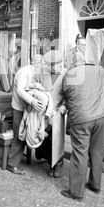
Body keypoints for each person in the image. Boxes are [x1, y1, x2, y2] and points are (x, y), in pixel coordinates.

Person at [59, 51, 104, 201]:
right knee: (97, 152)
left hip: (82, 119)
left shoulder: (69, 75)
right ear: (83, 60)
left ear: (72, 62)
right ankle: (95, 185)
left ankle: (76, 193)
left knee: (80, 154)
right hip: (102, 115)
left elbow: (66, 94)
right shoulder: (98, 69)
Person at [7, 54, 45, 175]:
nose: (41, 65)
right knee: (19, 135)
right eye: (40, 63)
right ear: (34, 63)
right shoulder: (24, 72)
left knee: (29, 132)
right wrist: (33, 101)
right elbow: (20, 91)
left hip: (28, 108)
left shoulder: (37, 72)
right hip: (19, 107)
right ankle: (11, 165)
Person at [35, 50, 67, 178]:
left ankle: (58, 165)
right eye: (50, 65)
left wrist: (64, 105)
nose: (51, 67)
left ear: (60, 63)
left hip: (58, 112)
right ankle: (50, 163)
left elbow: (68, 94)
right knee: (46, 139)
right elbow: (35, 83)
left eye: (53, 65)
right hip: (44, 111)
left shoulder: (66, 74)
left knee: (57, 141)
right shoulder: (43, 71)